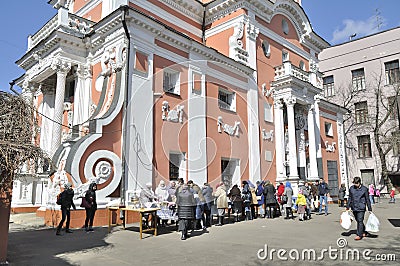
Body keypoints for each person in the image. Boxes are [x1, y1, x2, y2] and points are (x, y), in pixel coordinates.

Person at [346, 176, 372, 240]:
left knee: (360, 220)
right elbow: (350, 198)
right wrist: (347, 206)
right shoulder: (351, 188)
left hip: (361, 207)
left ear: (359, 182)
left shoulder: (364, 189)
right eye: (354, 183)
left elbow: (367, 199)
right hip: (354, 207)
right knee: (358, 220)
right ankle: (364, 232)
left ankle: (359, 235)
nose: (355, 185)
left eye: (356, 183)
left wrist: (369, 208)